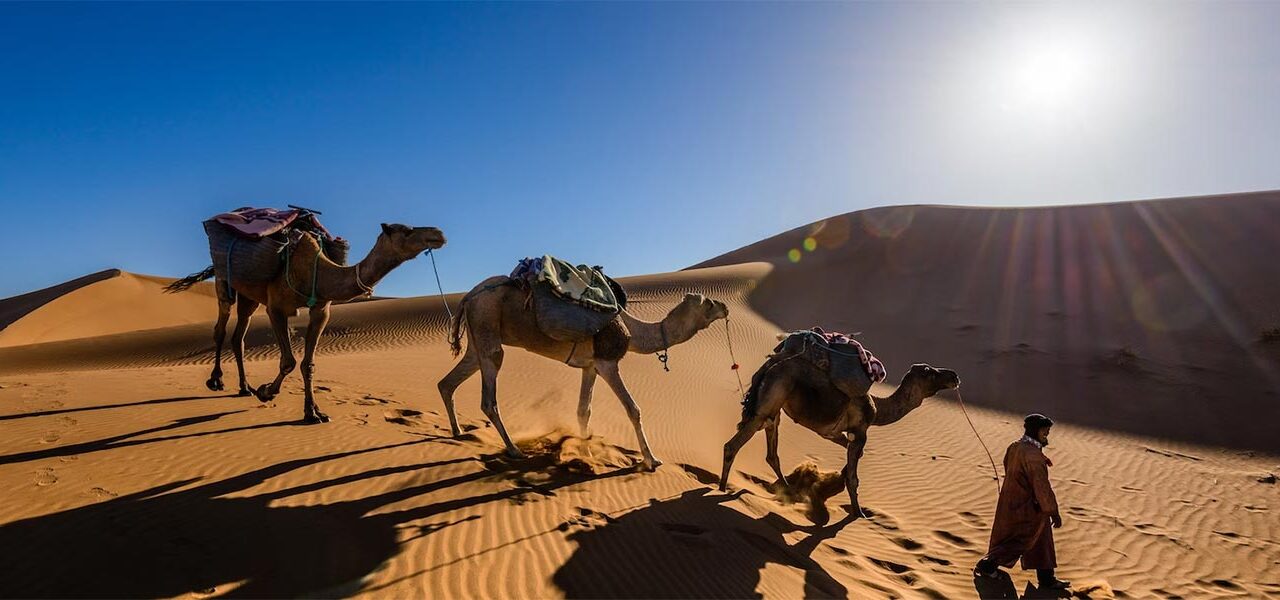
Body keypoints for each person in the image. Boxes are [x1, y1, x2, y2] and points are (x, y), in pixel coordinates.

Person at [974, 413, 1070, 590]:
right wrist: (1053, 511)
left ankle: (1047, 579)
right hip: (1028, 508)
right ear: (1035, 431)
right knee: (1019, 540)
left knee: (1041, 540)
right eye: (1044, 432)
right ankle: (987, 566)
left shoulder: (1015, 447)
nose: (1046, 435)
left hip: (1013, 502)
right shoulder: (1032, 456)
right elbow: (1041, 486)